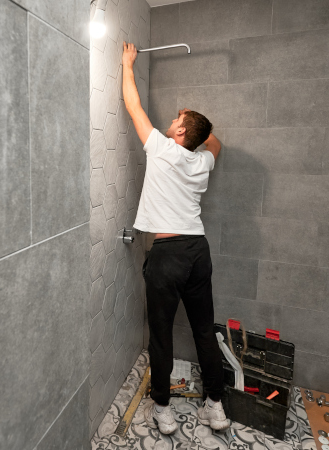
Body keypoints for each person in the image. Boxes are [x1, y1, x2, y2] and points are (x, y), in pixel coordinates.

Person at [121, 41, 228, 434]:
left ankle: (163, 410)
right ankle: (215, 406)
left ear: (180, 131)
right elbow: (215, 141)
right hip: (198, 251)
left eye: (176, 119)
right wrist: (198, 129)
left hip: (168, 254)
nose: (170, 121)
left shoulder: (162, 148)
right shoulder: (201, 161)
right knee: (204, 329)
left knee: (162, 335)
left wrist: (127, 64)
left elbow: (133, 106)